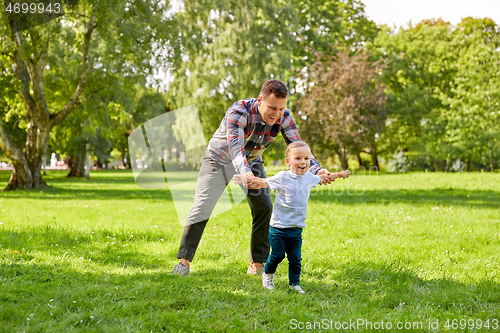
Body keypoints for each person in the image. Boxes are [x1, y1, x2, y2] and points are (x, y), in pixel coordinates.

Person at [171, 80, 333, 277]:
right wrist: (245, 173)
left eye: (281, 108)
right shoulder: (239, 111)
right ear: (260, 100)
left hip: (252, 160)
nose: (277, 113)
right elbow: (235, 148)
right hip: (219, 160)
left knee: (264, 206)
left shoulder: (285, 116)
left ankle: (257, 264)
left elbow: (297, 145)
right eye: (272, 107)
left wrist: (317, 170)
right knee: (203, 205)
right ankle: (183, 263)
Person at [234, 141, 350, 293]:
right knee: (277, 255)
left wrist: (340, 175)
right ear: (288, 162)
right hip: (279, 227)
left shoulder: (309, 177)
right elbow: (263, 182)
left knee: (295, 258)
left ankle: (294, 284)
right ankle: (268, 275)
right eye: (298, 158)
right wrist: (245, 179)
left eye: (307, 159)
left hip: (297, 227)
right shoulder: (283, 177)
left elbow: (322, 178)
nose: (303, 162)